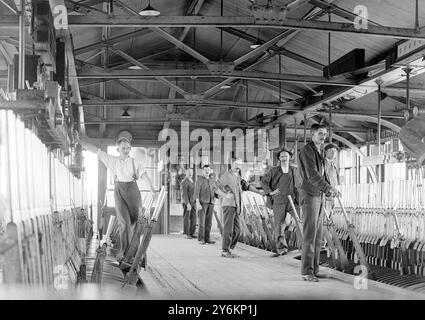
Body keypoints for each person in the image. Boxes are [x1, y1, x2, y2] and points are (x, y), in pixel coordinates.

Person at [74, 133, 157, 263]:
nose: (126, 150)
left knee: (136, 224)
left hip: (134, 194)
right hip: (119, 193)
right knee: (124, 224)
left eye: (128, 148)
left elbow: (145, 176)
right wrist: (79, 141)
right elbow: (96, 151)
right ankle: (124, 255)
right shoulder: (112, 160)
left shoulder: (135, 163)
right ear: (118, 149)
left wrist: (152, 189)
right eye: (123, 147)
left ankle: (135, 254)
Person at [298, 124, 339, 282]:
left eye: (325, 134)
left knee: (318, 235)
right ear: (312, 134)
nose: (323, 136)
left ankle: (314, 269)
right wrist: (328, 187)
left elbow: (323, 174)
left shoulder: (318, 151)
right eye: (320, 133)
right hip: (309, 195)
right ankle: (306, 272)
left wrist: (330, 189)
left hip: (318, 195)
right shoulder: (307, 150)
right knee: (310, 234)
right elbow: (312, 174)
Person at [261, 147, 298, 257]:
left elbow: (300, 184)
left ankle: (303, 246)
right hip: (279, 201)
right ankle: (281, 248)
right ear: (279, 158)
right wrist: (270, 192)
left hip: (293, 200)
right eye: (281, 156)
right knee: (278, 225)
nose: (284, 158)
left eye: (286, 156)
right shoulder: (274, 170)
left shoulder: (295, 170)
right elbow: (264, 181)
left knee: (301, 221)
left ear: (290, 157)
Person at [215, 158, 252, 258]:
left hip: (236, 206)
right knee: (228, 229)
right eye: (236, 164)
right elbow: (216, 187)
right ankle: (224, 251)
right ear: (232, 164)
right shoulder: (227, 175)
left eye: (239, 165)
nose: (238, 166)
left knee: (237, 230)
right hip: (228, 205)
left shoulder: (238, 176)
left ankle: (229, 249)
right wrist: (225, 195)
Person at [194, 165, 216, 245]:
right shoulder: (199, 180)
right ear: (203, 171)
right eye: (206, 170)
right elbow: (196, 192)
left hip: (211, 203)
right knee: (202, 222)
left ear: (210, 171)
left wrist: (218, 195)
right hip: (202, 203)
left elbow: (214, 191)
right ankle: (201, 239)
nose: (207, 171)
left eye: (208, 170)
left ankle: (207, 238)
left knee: (209, 223)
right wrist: (198, 203)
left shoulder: (211, 180)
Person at [323, 143, 340, 216]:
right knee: (324, 215)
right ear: (326, 152)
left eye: (335, 151)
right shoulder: (323, 164)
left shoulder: (334, 165)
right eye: (331, 151)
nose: (333, 153)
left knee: (331, 214)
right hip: (326, 193)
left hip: (333, 193)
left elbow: (336, 179)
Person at [181, 168, 196, 239]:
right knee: (186, 218)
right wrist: (187, 203)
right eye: (189, 173)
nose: (190, 174)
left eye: (191, 172)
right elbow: (184, 194)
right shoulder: (184, 182)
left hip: (193, 202)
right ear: (186, 173)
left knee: (194, 218)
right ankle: (186, 233)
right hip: (187, 203)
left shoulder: (192, 181)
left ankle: (191, 233)